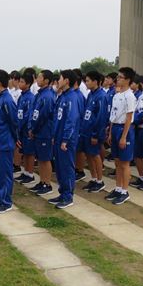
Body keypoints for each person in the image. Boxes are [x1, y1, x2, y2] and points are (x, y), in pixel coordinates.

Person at [48, 69, 81, 209]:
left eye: (60, 79)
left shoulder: (72, 97)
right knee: (60, 168)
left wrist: (65, 139)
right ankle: (62, 193)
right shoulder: (62, 96)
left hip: (66, 140)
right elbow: (57, 118)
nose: (58, 81)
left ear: (67, 81)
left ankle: (68, 196)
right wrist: (54, 136)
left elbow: (71, 120)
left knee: (67, 167)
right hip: (58, 137)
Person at [104, 67, 137, 205]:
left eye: (120, 77)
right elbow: (113, 115)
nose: (117, 79)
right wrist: (111, 132)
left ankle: (125, 191)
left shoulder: (130, 96)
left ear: (128, 80)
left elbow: (129, 117)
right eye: (117, 77)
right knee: (117, 161)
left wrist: (124, 137)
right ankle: (118, 188)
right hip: (115, 128)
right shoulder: (117, 95)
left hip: (125, 129)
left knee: (124, 162)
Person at [0, 70, 18, 214]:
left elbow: (14, 122)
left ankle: (6, 202)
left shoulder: (7, 100)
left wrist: (15, 139)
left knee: (5, 174)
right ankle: (0, 196)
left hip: (4, 143)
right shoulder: (0, 98)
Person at [28, 70, 56, 196]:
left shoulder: (48, 96)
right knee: (40, 158)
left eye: (40, 77)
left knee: (45, 159)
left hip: (45, 132)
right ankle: (42, 181)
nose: (37, 79)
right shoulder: (40, 94)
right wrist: (31, 127)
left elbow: (43, 116)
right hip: (38, 131)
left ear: (46, 81)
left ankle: (47, 184)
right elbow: (34, 113)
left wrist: (34, 129)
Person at [80, 71, 108, 193]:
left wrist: (95, 134)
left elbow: (101, 117)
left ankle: (100, 181)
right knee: (89, 155)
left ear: (95, 81)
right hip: (86, 131)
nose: (86, 83)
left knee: (95, 155)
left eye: (88, 81)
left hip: (94, 132)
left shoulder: (101, 96)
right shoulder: (90, 94)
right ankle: (94, 178)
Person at [15, 72, 36, 186]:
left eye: (22, 82)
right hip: (20, 129)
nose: (19, 83)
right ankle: (25, 172)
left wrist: (26, 126)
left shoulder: (31, 98)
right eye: (20, 81)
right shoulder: (21, 96)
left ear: (28, 84)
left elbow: (28, 115)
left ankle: (30, 174)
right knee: (24, 151)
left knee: (30, 152)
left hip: (26, 129)